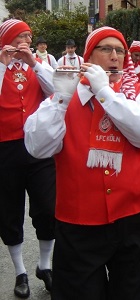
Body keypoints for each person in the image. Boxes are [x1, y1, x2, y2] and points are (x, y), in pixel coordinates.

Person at [24, 26, 140, 299]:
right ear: (89, 57)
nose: (115, 56)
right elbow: (38, 147)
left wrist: (105, 92)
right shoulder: (64, 99)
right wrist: (62, 98)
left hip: (132, 222)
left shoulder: (138, 95)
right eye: (106, 49)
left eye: (120, 51)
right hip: (78, 226)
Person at [0, 19, 55, 298]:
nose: (26, 42)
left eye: (28, 37)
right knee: (10, 211)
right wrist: (2, 64)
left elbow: (55, 89)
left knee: (47, 207)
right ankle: (20, 270)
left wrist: (33, 63)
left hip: (38, 147)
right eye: (20, 36)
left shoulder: (38, 65)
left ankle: (44, 266)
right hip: (5, 149)